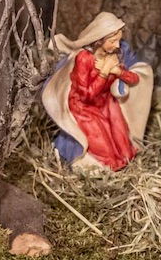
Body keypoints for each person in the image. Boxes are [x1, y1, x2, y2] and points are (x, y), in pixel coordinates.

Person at [41, 12, 153, 172]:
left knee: (124, 149)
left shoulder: (114, 55)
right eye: (113, 41)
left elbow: (134, 79)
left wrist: (118, 71)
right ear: (99, 40)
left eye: (119, 40)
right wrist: (104, 73)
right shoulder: (84, 59)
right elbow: (87, 95)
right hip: (84, 108)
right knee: (105, 152)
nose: (118, 45)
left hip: (107, 103)